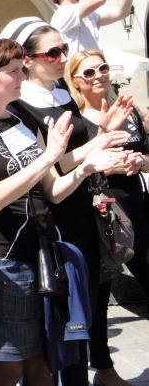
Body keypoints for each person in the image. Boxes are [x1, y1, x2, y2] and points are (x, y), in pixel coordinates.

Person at [0, 32, 123, 386]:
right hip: (3, 258)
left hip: (42, 252)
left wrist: (83, 169)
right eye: (14, 72)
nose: (21, 78)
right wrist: (48, 157)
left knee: (42, 363)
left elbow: (54, 191)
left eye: (21, 69)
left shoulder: (24, 120)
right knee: (8, 365)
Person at [0, 17, 133, 386]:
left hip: (85, 207)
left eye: (64, 49)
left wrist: (105, 137)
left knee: (89, 307)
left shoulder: (62, 94)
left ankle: (96, 371)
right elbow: (54, 164)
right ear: (28, 59)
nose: (62, 57)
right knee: (69, 318)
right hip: (60, 215)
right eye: (53, 51)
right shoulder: (24, 106)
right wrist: (100, 142)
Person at [66, 49, 149, 386]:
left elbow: (146, 155)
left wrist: (138, 162)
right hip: (99, 212)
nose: (99, 75)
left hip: (135, 206)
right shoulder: (73, 119)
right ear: (75, 81)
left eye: (102, 68)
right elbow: (72, 166)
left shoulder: (130, 113)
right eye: (89, 72)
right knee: (99, 292)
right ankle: (103, 367)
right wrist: (112, 163)